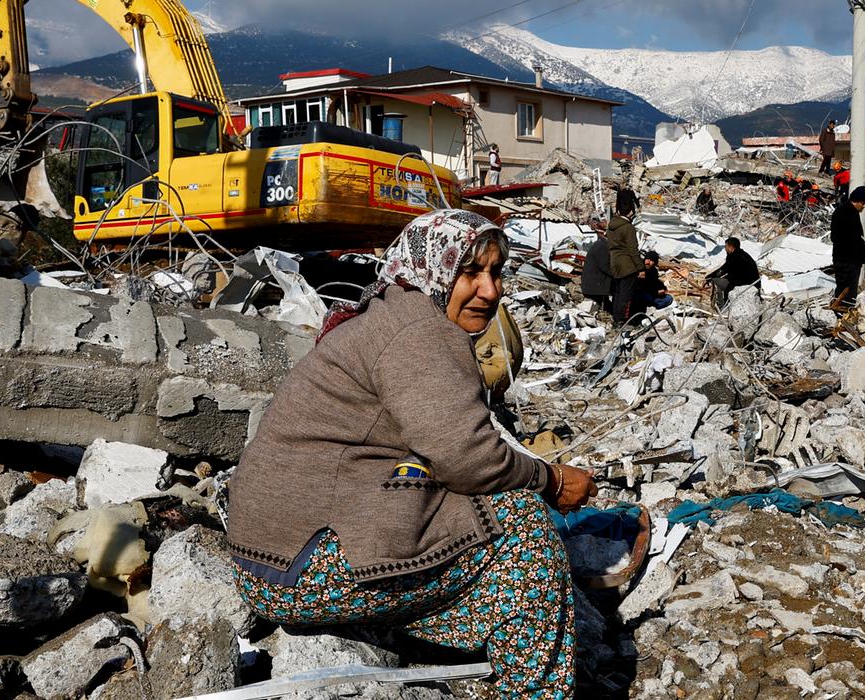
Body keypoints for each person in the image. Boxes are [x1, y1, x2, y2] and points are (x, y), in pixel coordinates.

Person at [226, 209, 595, 699]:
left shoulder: (392, 311)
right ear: (435, 268)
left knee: (456, 513)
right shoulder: (420, 332)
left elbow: (442, 444)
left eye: (496, 272)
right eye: (471, 272)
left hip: (268, 559)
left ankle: (457, 638)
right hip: (300, 568)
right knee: (522, 526)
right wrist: (549, 481)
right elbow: (467, 458)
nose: (491, 290)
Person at [830, 187, 865, 308]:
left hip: (840, 259)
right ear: (857, 201)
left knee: (841, 288)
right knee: (849, 292)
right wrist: (861, 255)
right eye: (863, 203)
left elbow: (834, 237)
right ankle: (843, 315)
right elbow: (855, 239)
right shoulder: (850, 214)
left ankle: (839, 311)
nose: (863, 206)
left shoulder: (840, 211)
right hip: (850, 261)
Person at [607, 196, 643, 325]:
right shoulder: (628, 228)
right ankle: (623, 321)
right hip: (627, 265)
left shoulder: (611, 226)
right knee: (626, 295)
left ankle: (616, 318)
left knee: (617, 293)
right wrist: (640, 267)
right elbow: (633, 250)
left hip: (614, 263)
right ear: (630, 212)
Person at [707, 236, 761, 308]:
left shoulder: (734, 257)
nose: (725, 249)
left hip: (743, 285)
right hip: (754, 285)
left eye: (726, 246)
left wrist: (711, 277)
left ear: (731, 247)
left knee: (715, 281)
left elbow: (725, 270)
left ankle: (721, 306)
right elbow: (725, 269)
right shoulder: (743, 255)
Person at [581, 228, 612, 315]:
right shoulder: (603, 246)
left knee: (606, 305)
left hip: (594, 283)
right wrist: (618, 274)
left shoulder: (600, 244)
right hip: (596, 284)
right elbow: (605, 266)